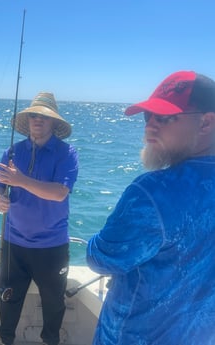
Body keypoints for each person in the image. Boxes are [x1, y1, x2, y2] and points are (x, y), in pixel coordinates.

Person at [86, 71, 215, 344]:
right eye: (148, 117)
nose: (149, 127)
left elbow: (101, 258)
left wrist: (94, 244)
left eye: (164, 118)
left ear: (205, 123)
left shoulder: (151, 193)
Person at [0, 92, 79, 345]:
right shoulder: (12, 152)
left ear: (53, 122)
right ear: (27, 121)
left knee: (53, 304)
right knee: (7, 298)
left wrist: (20, 180)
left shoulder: (67, 153)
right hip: (13, 241)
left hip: (51, 245)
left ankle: (50, 341)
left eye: (43, 116)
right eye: (33, 116)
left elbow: (59, 193)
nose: (37, 120)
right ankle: (4, 339)